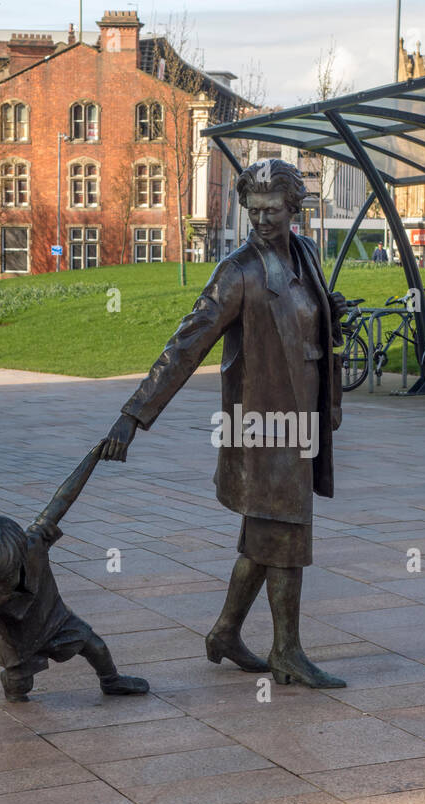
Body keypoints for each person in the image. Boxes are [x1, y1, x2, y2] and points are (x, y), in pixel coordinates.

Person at [100, 159, 347, 689]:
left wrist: (328, 312)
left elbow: (304, 321)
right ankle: (287, 651)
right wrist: (134, 413)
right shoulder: (238, 272)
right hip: (263, 426)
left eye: (272, 211)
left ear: (293, 211)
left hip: (301, 420)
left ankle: (226, 633)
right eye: (253, 211)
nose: (260, 220)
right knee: (286, 533)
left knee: (267, 531)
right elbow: (186, 344)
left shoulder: (303, 256)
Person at [0, 444, 149, 703]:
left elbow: (62, 499)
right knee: (18, 685)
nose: (4, 583)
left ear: (19, 553)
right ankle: (14, 684)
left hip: (55, 619)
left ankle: (111, 681)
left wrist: (92, 457)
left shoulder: (34, 543)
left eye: (8, 574)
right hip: (17, 643)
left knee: (95, 645)